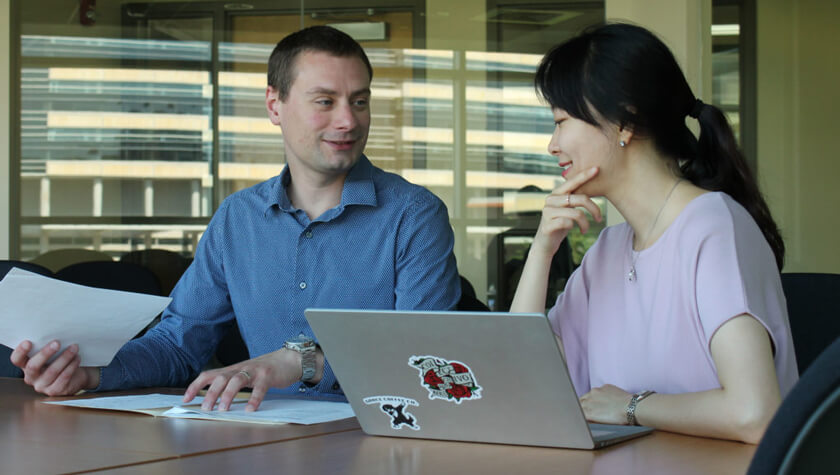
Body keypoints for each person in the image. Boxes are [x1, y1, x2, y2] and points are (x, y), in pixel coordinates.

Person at [11, 26, 461, 412]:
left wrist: (305, 361)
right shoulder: (237, 219)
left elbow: (427, 359)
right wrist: (89, 375)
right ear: (274, 105)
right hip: (257, 441)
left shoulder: (414, 215)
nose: (348, 120)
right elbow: (178, 345)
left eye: (359, 102)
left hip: (382, 439)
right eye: (325, 101)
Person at [510, 23, 797, 444]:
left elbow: (756, 413)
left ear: (625, 122)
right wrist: (541, 250)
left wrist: (632, 407)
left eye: (562, 121)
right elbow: (522, 381)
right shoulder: (607, 250)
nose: (552, 145)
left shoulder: (714, 226)